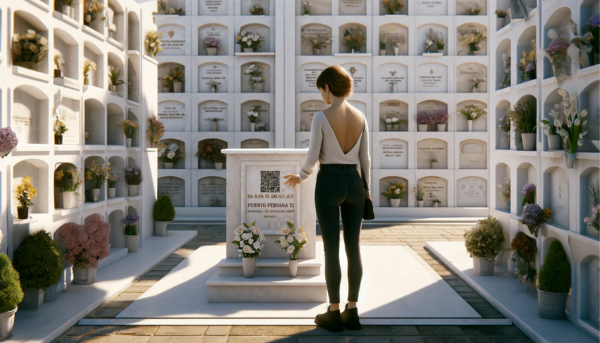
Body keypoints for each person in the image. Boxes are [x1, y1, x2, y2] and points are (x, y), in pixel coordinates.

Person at [284, 65, 370, 332]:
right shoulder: (361, 116)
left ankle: (333, 313)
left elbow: (312, 155)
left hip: (330, 182)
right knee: (353, 248)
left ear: (327, 88)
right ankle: (352, 310)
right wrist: (365, 190)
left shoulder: (321, 117)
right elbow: (365, 159)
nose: (321, 94)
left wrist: (301, 176)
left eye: (321, 89)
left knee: (331, 249)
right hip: (355, 183)